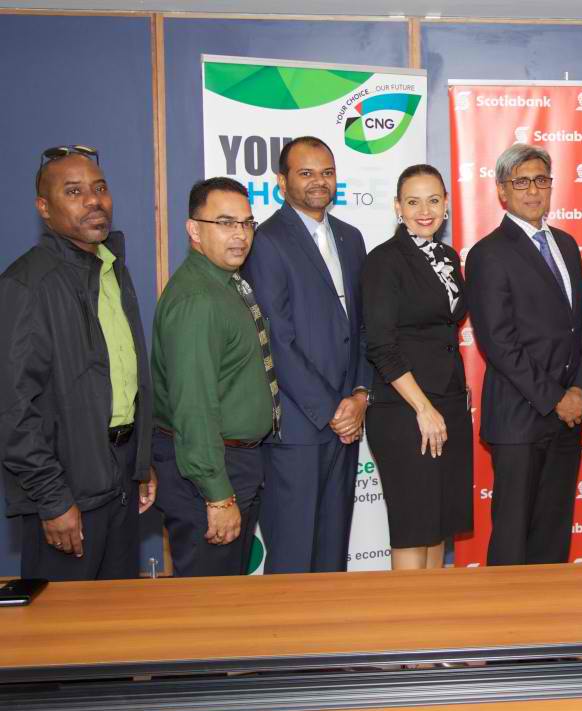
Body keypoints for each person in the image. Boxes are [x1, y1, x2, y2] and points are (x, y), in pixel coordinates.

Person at [0, 145, 155, 580]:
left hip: (121, 480)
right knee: (66, 621)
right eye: (73, 192)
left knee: (118, 616)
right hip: (67, 492)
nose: (93, 200)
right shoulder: (27, 284)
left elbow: (128, 379)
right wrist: (52, 500)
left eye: (100, 188)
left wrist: (141, 463)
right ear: (44, 208)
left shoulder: (112, 269)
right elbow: (13, 411)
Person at [242, 136, 370, 573]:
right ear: (282, 182)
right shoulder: (266, 241)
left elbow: (362, 327)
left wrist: (360, 395)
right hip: (297, 429)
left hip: (346, 426)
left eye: (327, 172)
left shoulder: (351, 238)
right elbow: (276, 339)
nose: (319, 181)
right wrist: (332, 409)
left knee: (332, 558)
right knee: (294, 559)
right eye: (306, 173)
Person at [465, 143, 582, 566]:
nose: (533, 190)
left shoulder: (567, 245)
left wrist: (578, 390)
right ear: (502, 191)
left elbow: (581, 325)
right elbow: (499, 343)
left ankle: (550, 609)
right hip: (520, 417)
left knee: (553, 534)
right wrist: (555, 398)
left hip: (567, 416)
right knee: (513, 538)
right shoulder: (487, 253)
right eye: (521, 182)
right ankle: (505, 612)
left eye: (541, 180)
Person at [152, 178, 278, 577]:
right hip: (209, 471)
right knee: (208, 601)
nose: (240, 234)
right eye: (225, 223)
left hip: (235, 462)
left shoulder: (227, 282)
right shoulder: (199, 299)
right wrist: (218, 495)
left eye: (246, 223)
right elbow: (193, 406)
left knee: (229, 598)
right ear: (194, 229)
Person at [363, 165, 471, 570]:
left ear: (446, 204)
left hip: (448, 404)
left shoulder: (448, 257)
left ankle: (435, 614)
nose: (424, 211)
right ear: (398, 207)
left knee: (437, 527)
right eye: (413, 202)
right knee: (413, 527)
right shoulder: (384, 261)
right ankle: (408, 614)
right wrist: (423, 409)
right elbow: (381, 346)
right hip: (406, 411)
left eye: (433, 200)